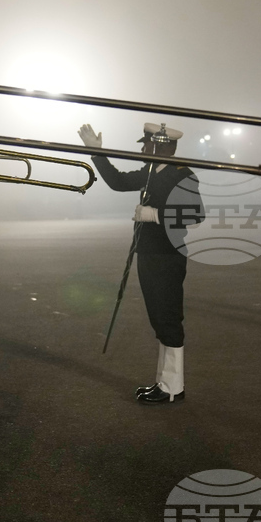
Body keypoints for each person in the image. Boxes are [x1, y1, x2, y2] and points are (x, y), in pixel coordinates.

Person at [78, 123, 203, 405]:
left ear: (161, 146)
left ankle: (173, 387)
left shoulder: (183, 175)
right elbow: (118, 182)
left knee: (168, 318)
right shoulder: (150, 171)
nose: (142, 149)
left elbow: (196, 215)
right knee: (159, 319)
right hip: (148, 253)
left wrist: (155, 214)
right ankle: (166, 383)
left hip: (168, 255)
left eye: (147, 145)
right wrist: (96, 153)